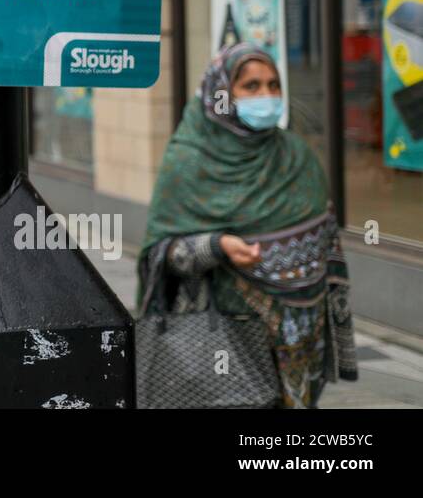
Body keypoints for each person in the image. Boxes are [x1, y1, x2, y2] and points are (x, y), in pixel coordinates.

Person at [137, 43, 357, 408]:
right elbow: (161, 253)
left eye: (274, 85)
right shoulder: (188, 161)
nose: (267, 96)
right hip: (228, 338)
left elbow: (329, 242)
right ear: (220, 93)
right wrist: (217, 246)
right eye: (251, 86)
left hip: (302, 336)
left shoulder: (295, 154)